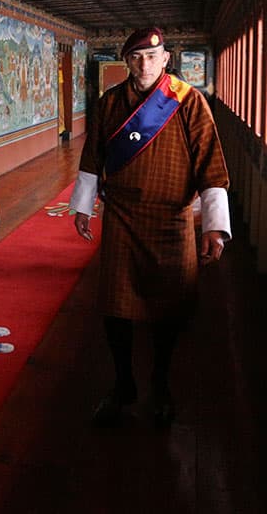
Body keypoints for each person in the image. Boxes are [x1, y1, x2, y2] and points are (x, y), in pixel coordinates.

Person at [70, 27, 230, 428]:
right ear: (127, 61)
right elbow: (93, 157)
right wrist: (82, 207)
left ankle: (160, 383)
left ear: (166, 60)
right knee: (116, 307)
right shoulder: (110, 103)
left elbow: (211, 164)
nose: (144, 64)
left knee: (169, 306)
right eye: (136, 57)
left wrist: (214, 226)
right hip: (122, 217)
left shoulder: (188, 102)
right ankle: (124, 383)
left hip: (173, 219)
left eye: (151, 57)